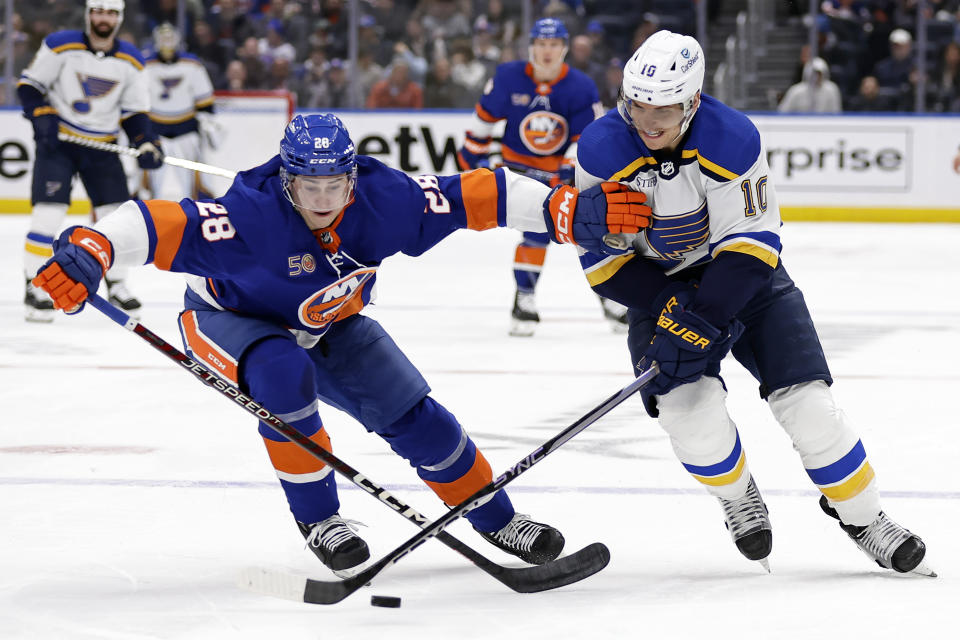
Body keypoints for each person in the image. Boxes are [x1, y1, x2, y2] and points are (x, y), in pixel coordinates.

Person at [29, 113, 645, 577]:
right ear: (286, 179)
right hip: (230, 323)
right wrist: (90, 247)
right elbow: (156, 222)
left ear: (353, 176)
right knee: (280, 374)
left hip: (330, 322)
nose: (323, 202)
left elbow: (479, 195)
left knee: (416, 417)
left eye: (335, 186)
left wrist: (565, 210)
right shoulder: (250, 216)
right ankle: (321, 518)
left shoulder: (388, 200)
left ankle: (497, 519)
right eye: (308, 187)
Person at [547, 30, 933, 575]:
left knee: (811, 409)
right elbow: (603, 264)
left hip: (748, 287)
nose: (649, 120)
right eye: (638, 104)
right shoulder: (600, 150)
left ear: (693, 101)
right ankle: (736, 496)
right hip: (660, 291)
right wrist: (669, 305)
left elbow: (753, 246)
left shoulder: (731, 138)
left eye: (665, 107)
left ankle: (866, 518)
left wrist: (705, 314)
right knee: (686, 414)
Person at [457, 17, 626, 337]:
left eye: (554, 45)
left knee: (585, 229)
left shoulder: (580, 86)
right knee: (535, 230)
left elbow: (585, 138)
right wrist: (472, 160)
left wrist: (567, 174)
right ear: (531, 47)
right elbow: (483, 120)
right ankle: (525, 300)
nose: (547, 51)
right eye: (541, 44)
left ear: (564, 49)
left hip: (561, 170)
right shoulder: (508, 77)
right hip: (519, 169)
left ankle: (611, 297)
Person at [18, 0, 163, 322]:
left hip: (103, 147)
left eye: (110, 13)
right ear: (88, 15)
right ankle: (34, 285)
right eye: (98, 11)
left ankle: (117, 284)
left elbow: (134, 112)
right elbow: (29, 86)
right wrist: (41, 113)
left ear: (119, 18)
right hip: (59, 144)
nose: (103, 18)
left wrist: (146, 141)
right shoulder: (60, 46)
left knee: (116, 219)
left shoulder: (131, 60)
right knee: (47, 216)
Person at [143, 23, 222, 200]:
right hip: (155, 132)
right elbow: (136, 101)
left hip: (187, 131)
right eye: (163, 38)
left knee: (194, 184)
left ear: (177, 40)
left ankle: (197, 216)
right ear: (155, 40)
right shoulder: (145, 65)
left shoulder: (192, 64)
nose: (166, 43)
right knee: (149, 185)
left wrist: (207, 123)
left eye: (170, 38)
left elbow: (205, 101)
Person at [777, 57, 843, 113]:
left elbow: (836, 113)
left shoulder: (831, 90)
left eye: (819, 74)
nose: (816, 78)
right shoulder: (796, 91)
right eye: (813, 74)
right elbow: (783, 112)